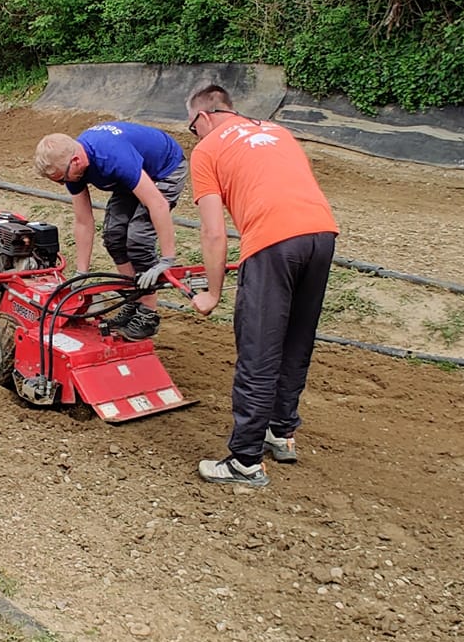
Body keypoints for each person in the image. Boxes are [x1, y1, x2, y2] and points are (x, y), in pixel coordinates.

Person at [184, 83, 339, 488]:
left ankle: (245, 461)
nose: (194, 136)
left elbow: (213, 232)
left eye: (192, 128)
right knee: (296, 340)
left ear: (204, 117)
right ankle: (281, 432)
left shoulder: (207, 150)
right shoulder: (278, 132)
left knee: (258, 350)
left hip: (272, 241)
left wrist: (212, 293)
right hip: (322, 234)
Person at [33, 122, 186, 341]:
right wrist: (81, 272)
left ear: (76, 161)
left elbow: (158, 204)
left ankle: (148, 314)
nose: (62, 185)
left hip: (164, 169)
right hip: (132, 174)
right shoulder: (72, 167)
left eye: (61, 179)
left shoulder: (112, 157)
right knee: (114, 236)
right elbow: (83, 221)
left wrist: (167, 259)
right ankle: (134, 300)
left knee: (138, 238)